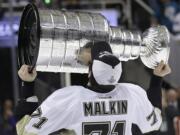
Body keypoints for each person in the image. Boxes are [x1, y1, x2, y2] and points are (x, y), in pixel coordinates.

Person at [15, 41, 171, 135]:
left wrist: (27, 84)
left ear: (90, 72)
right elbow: (155, 123)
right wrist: (157, 80)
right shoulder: (132, 93)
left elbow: (25, 131)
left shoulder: (70, 98)